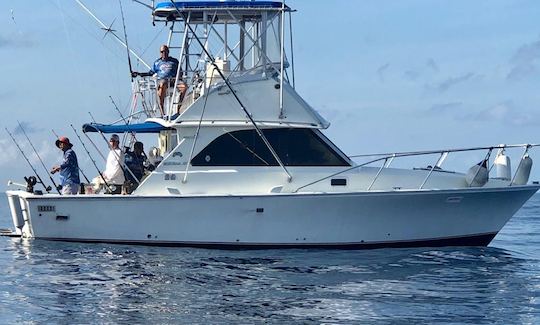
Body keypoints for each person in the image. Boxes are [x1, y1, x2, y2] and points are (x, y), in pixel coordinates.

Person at [132, 44, 187, 116]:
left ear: (168, 52)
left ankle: (178, 109)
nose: (163, 53)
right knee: (162, 85)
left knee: (184, 87)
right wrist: (139, 74)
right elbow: (151, 73)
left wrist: (179, 78)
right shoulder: (157, 62)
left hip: (174, 80)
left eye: (165, 51)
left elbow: (180, 72)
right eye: (162, 52)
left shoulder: (174, 61)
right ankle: (162, 112)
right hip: (163, 81)